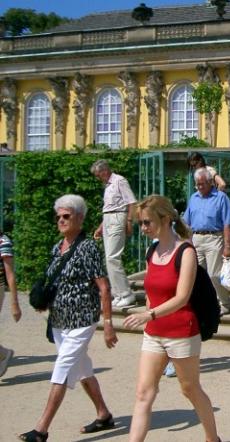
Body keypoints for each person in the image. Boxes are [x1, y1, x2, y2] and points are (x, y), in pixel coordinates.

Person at [19, 194, 118, 442]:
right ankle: (103, 414)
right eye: (59, 217)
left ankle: (41, 430)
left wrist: (107, 324)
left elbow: (104, 288)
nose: (61, 220)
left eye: (67, 216)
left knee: (62, 369)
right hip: (59, 322)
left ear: (80, 218)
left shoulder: (87, 248)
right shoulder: (58, 247)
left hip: (82, 320)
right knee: (82, 368)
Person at [123, 195, 219, 442]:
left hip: (181, 331)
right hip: (154, 333)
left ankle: (212, 438)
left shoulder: (185, 251)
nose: (143, 228)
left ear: (165, 219)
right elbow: (152, 290)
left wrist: (149, 313)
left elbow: (182, 297)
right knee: (143, 393)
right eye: (141, 223)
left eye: (147, 222)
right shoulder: (151, 250)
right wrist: (148, 310)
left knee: (190, 389)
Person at [182, 168, 230, 315]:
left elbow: (227, 223)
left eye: (202, 184)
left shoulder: (221, 197)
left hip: (214, 238)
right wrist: (187, 241)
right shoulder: (194, 197)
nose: (200, 187)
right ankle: (202, 302)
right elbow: (187, 222)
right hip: (196, 238)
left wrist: (227, 246)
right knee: (196, 274)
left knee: (214, 274)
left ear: (210, 182)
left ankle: (225, 302)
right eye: (197, 184)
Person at [91, 159, 137, 308]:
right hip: (109, 218)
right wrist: (101, 227)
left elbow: (131, 202)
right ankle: (118, 294)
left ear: (105, 171)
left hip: (118, 217)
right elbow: (109, 207)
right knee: (109, 258)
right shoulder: (108, 185)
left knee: (113, 257)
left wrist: (129, 221)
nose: (98, 178)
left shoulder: (119, 181)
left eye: (98, 174)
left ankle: (126, 294)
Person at [0, 230, 20, 378]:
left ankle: (4, 354)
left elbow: (10, 275)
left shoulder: (3, 241)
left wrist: (15, 303)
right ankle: (3, 354)